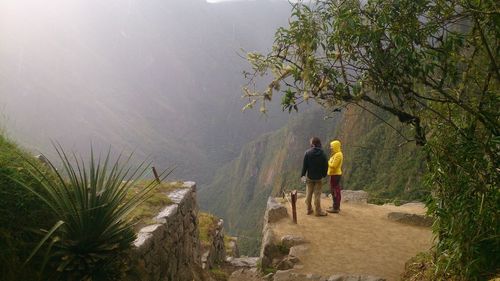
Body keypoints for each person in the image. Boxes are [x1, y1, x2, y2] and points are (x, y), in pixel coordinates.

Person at [301, 137, 328, 216]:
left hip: (310, 177)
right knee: (317, 195)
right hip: (318, 178)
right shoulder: (323, 153)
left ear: (313, 143)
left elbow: (304, 166)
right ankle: (318, 211)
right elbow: (325, 166)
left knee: (308, 193)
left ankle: (309, 209)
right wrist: (324, 174)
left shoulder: (307, 153)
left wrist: (302, 176)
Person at [327, 140, 343, 213]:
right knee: (334, 190)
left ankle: (335, 208)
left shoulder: (338, 155)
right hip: (334, 174)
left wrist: (329, 162)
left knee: (335, 191)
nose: (331, 148)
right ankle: (335, 206)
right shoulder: (336, 154)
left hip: (335, 175)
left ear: (335, 146)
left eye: (332, 146)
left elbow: (333, 165)